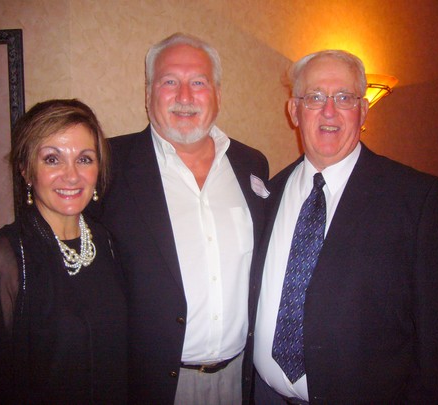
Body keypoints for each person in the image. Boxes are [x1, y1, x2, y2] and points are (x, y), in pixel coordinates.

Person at [249, 50, 438, 403]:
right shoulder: (269, 193)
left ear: (363, 110)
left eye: (344, 97)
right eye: (315, 97)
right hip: (264, 395)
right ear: (294, 111)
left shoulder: (413, 199)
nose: (329, 111)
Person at [89, 33, 269, 404]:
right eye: (170, 82)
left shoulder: (251, 164)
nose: (185, 97)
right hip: (154, 383)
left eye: (198, 83)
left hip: (241, 378)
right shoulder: (108, 165)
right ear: (148, 94)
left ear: (217, 94)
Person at [0, 99, 127, 404]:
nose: (71, 175)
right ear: (26, 170)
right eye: (52, 159)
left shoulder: (107, 242)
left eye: (84, 159)